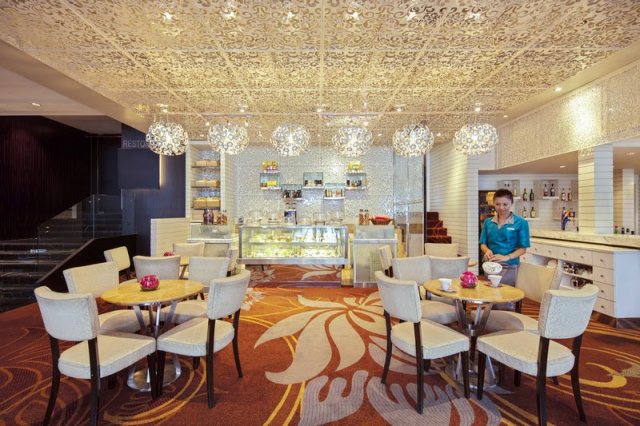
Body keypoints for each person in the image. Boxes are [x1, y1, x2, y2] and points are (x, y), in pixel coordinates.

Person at [479, 188, 530, 286]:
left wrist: (507, 257)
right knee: (489, 291)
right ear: (494, 203)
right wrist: (487, 251)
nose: (501, 207)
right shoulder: (488, 222)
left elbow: (523, 249)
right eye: (497, 204)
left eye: (505, 204)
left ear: (511, 203)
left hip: (509, 264)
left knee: (506, 292)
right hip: (490, 264)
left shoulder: (521, 223)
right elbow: (483, 244)